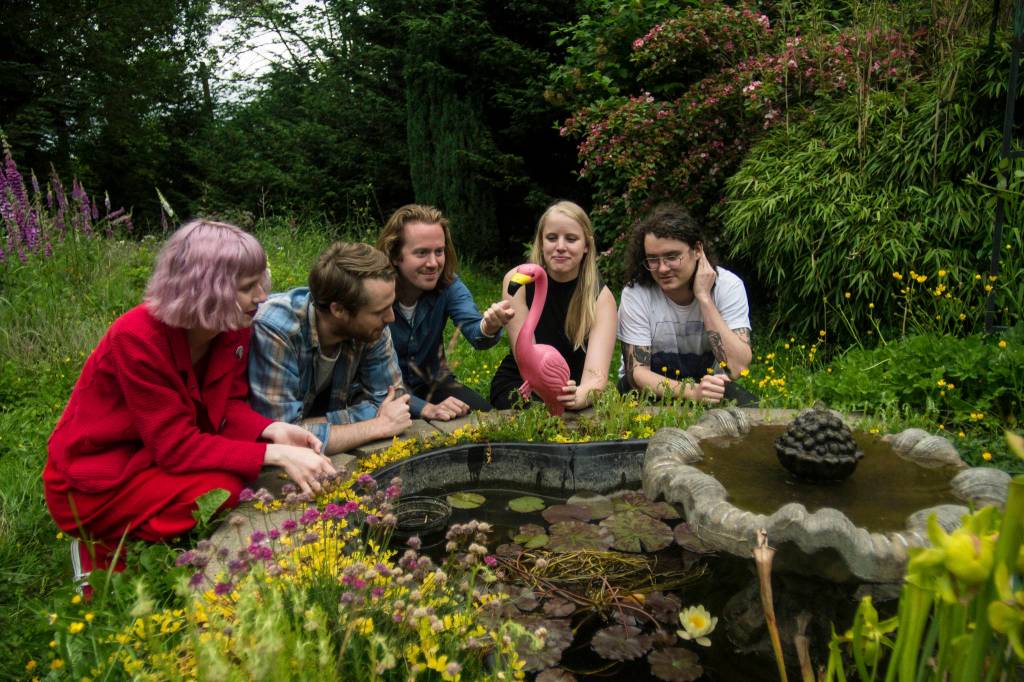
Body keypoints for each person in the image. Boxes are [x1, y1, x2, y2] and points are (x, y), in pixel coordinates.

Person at [44, 220, 335, 588]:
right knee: (223, 488)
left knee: (226, 486)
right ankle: (101, 548)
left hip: (151, 458)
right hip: (97, 480)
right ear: (205, 289)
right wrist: (275, 454)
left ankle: (139, 543)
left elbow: (228, 405)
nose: (262, 297)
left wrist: (271, 430)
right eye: (247, 287)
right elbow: (175, 445)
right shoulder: (137, 337)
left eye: (260, 282)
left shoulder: (232, 327)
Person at [249, 241, 439, 456]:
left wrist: (311, 426)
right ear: (338, 310)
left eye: (390, 306)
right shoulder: (277, 329)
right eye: (380, 311)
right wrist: (376, 425)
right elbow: (282, 437)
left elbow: (393, 400)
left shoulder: (372, 326)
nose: (391, 318)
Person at [376, 204, 515, 416]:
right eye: (421, 253)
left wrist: (489, 326)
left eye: (439, 251)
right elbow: (372, 383)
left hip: (433, 384)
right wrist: (425, 409)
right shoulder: (374, 293)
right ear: (395, 255)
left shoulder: (448, 285)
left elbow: (476, 333)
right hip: (385, 391)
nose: (433, 263)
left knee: (484, 417)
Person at [617, 203, 754, 404]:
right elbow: (637, 374)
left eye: (672, 257)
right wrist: (692, 393)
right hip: (648, 389)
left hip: (710, 387)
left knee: (753, 416)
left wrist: (704, 298)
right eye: (653, 259)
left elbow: (737, 367)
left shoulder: (728, 286)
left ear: (697, 250)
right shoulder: (636, 293)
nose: (662, 269)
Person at [490, 200, 617, 411]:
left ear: (586, 245)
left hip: (572, 389)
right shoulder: (519, 281)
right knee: (531, 413)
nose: (560, 247)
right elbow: (525, 360)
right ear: (541, 242)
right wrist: (550, 400)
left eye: (571, 239)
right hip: (524, 384)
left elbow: (596, 377)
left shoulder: (601, 298)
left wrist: (577, 397)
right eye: (551, 238)